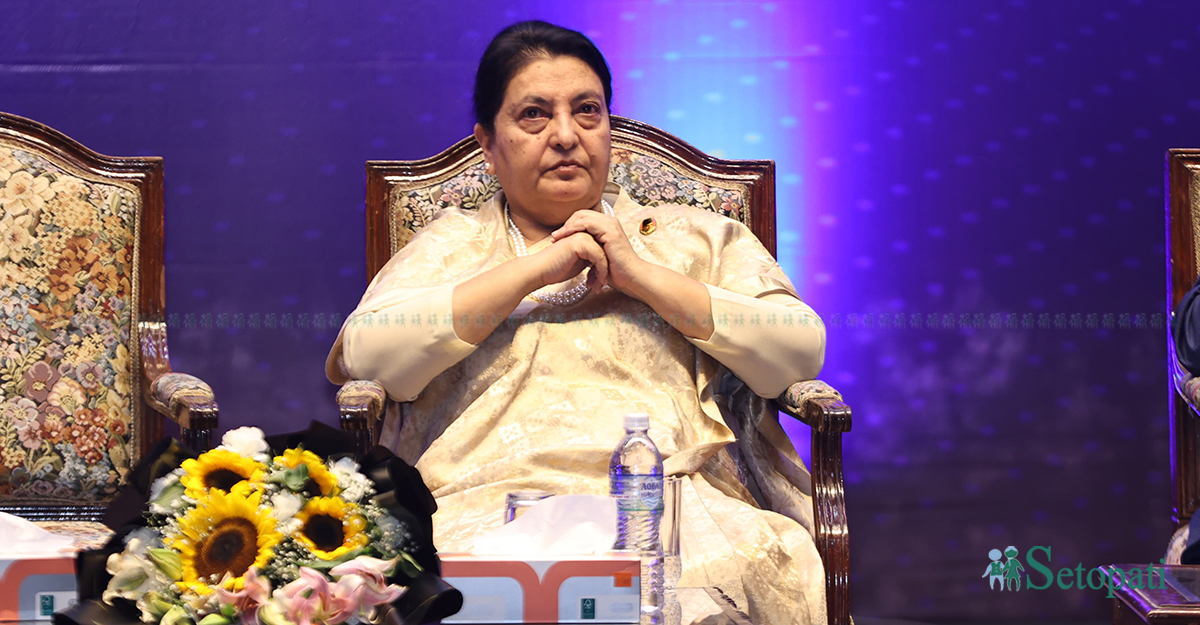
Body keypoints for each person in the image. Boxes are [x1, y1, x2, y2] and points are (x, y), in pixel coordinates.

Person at [326, 20, 828, 624]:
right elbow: (368, 357)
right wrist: (535, 269)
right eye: (534, 115)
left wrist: (641, 276)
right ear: (488, 144)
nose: (566, 135)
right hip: (482, 503)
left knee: (732, 570)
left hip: (666, 502)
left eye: (587, 111)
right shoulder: (451, 245)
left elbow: (799, 353)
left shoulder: (694, 238)